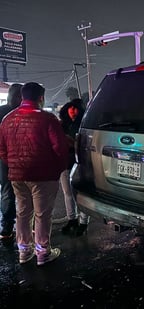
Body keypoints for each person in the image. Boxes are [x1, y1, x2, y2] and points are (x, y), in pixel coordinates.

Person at [0, 82, 68, 266]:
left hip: (17, 175)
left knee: (22, 213)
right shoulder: (48, 119)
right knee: (42, 214)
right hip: (43, 175)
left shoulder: (8, 119)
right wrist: (57, 169)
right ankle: (43, 252)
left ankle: (24, 252)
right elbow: (60, 149)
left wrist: (14, 165)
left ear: (22, 97)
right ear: (41, 98)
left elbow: (2, 150)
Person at [59, 98, 90, 236]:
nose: (72, 110)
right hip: (65, 163)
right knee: (67, 193)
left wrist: (73, 143)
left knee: (82, 193)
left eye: (76, 108)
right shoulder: (61, 125)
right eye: (70, 108)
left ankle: (83, 222)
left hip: (82, 164)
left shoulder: (86, 125)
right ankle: (71, 219)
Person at [0, 83, 22, 242]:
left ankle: (7, 228)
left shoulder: (1, 111)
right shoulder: (18, 113)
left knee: (8, 191)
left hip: (4, 158)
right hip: (14, 158)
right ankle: (16, 227)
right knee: (22, 192)